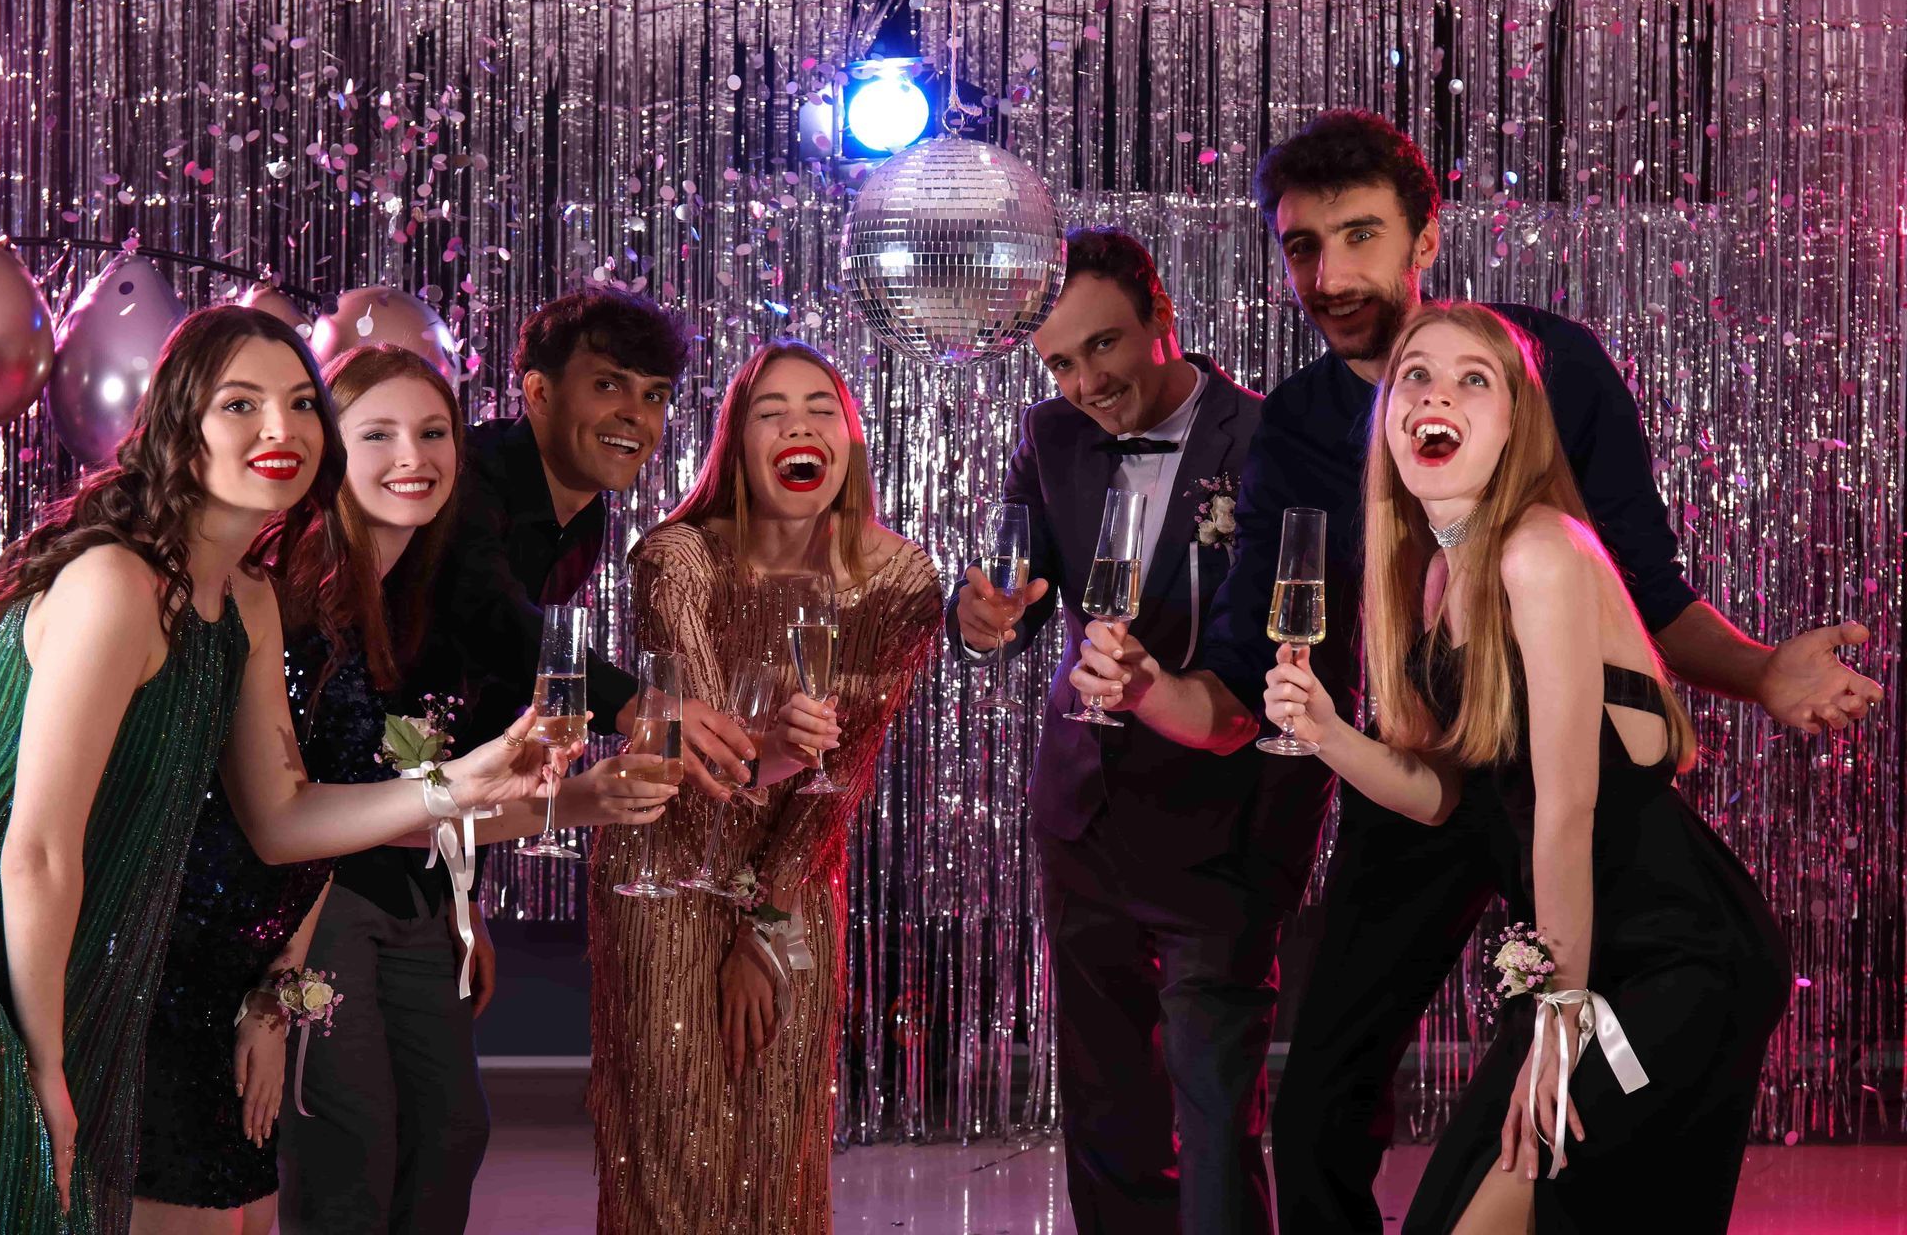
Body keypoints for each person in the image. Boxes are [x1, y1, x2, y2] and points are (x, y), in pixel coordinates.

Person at [1067, 109, 1879, 1233]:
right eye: (1304, 245)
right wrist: (1153, 688)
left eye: (1360, 235)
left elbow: (1635, 612)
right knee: (1317, 1114)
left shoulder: (1545, 406)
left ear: (1424, 239)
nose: (1333, 271)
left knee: (1550, 1186)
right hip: (1444, 772)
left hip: (1584, 843)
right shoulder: (1318, 445)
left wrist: (1759, 671)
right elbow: (1260, 683)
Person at [0, 306, 556, 1235]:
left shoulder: (243, 598)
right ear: (178, 425)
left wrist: (465, 782)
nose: (281, 429)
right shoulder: (114, 585)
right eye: (240, 404)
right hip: (21, 981)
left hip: (140, 981)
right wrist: (42, 1069)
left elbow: (282, 819)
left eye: (298, 402)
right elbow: (37, 854)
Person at [1263, 301, 1789, 1230]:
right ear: (1389, 417)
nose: (1439, 393)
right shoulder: (1431, 578)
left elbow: (1566, 805)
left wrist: (1561, 1018)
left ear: (1516, 424)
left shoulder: (1539, 549)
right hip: (1576, 960)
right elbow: (1439, 800)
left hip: (1674, 958)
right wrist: (1329, 731)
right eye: (1416, 375)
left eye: (1477, 379)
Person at [132, 344, 672, 1235]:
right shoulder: (290, 591)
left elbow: (417, 795)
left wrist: (570, 806)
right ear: (330, 449)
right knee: (351, 1150)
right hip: (297, 912)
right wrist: (274, 991)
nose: (412, 458)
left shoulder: (420, 588)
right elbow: (289, 815)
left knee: (451, 1136)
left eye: (433, 433)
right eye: (376, 434)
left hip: (407, 896)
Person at [282, 291, 746, 1234]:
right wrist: (641, 704)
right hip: (328, 861)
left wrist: (468, 898)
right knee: (355, 1143)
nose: (635, 415)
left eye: (654, 396)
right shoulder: (470, 484)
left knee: (448, 1137)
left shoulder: (577, 526)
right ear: (533, 393)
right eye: (608, 385)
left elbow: (468, 709)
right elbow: (494, 626)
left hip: (423, 853)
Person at [948, 227, 1296, 1231]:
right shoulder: (1048, 435)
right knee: (1107, 1106)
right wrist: (980, 626)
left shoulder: (1268, 439)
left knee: (1216, 1106)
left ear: (1160, 321)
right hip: (1085, 813)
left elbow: (1284, 643)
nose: (1083, 380)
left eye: (1102, 346)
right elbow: (1014, 592)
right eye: (1059, 360)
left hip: (1218, 818)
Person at [587, 339, 941, 1233]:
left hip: (794, 874)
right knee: (675, 1143)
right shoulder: (677, 559)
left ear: (850, 440)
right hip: (662, 872)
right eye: (770, 410)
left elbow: (844, 774)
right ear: (737, 443)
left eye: (822, 408)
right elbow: (704, 757)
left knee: (777, 1151)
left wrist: (768, 921)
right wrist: (773, 750)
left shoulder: (901, 581)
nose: (799, 425)